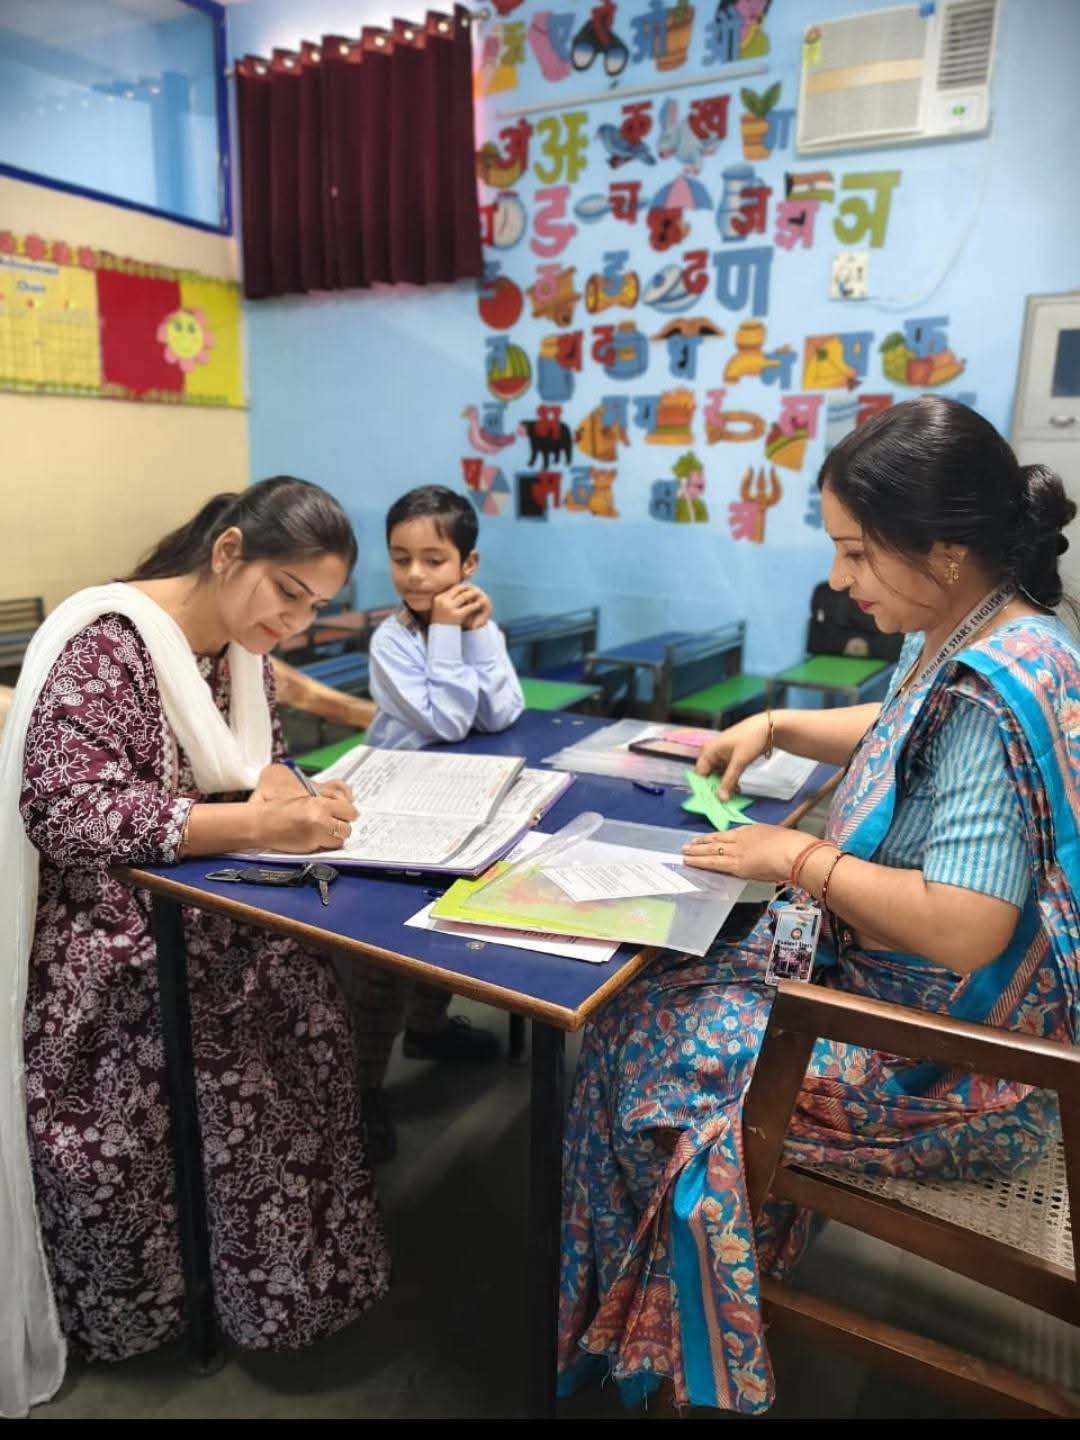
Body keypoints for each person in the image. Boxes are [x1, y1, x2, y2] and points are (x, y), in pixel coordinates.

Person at [557, 396, 1080, 1414]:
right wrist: (779, 726)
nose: (839, 580)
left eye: (855, 553)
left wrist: (797, 856)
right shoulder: (991, 625)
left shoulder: (988, 692)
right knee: (659, 987)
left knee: (632, 1038)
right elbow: (902, 719)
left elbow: (967, 925)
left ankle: (676, 1346)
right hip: (936, 1009)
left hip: (955, 1069)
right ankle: (705, 1281)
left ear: (942, 549)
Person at [0, 477, 390, 1419]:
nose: (294, 623)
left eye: (316, 606)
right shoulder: (107, 643)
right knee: (236, 1036)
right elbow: (66, 811)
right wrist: (255, 825)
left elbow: (258, 766)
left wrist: (292, 794)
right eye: (288, 593)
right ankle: (161, 1305)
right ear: (227, 552)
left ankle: (274, 1291)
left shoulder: (238, 651)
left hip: (203, 901)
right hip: (110, 930)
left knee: (304, 1006)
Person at [343, 486, 525, 1162]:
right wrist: (449, 635)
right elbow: (448, 722)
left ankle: (429, 1025)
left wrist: (474, 634)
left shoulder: (479, 626)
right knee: (386, 954)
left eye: (434, 560)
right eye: (401, 559)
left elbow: (503, 711)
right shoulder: (391, 641)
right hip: (395, 807)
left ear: (467, 564)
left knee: (452, 922)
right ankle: (361, 1090)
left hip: (461, 799)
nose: (416, 575)